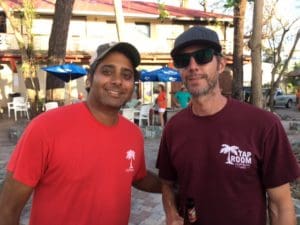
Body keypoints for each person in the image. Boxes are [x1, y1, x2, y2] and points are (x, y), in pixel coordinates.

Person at [0, 42, 161, 225]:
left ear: (132, 85)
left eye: (126, 75)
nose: (117, 80)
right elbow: (7, 209)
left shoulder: (133, 134)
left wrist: (172, 186)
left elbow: (138, 176)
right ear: (89, 79)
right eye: (107, 72)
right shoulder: (46, 128)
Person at [156, 26, 300, 225]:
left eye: (203, 56)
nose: (193, 66)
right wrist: (171, 213)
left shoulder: (263, 125)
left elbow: (280, 205)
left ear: (221, 64)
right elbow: (167, 184)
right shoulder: (174, 128)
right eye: (183, 60)